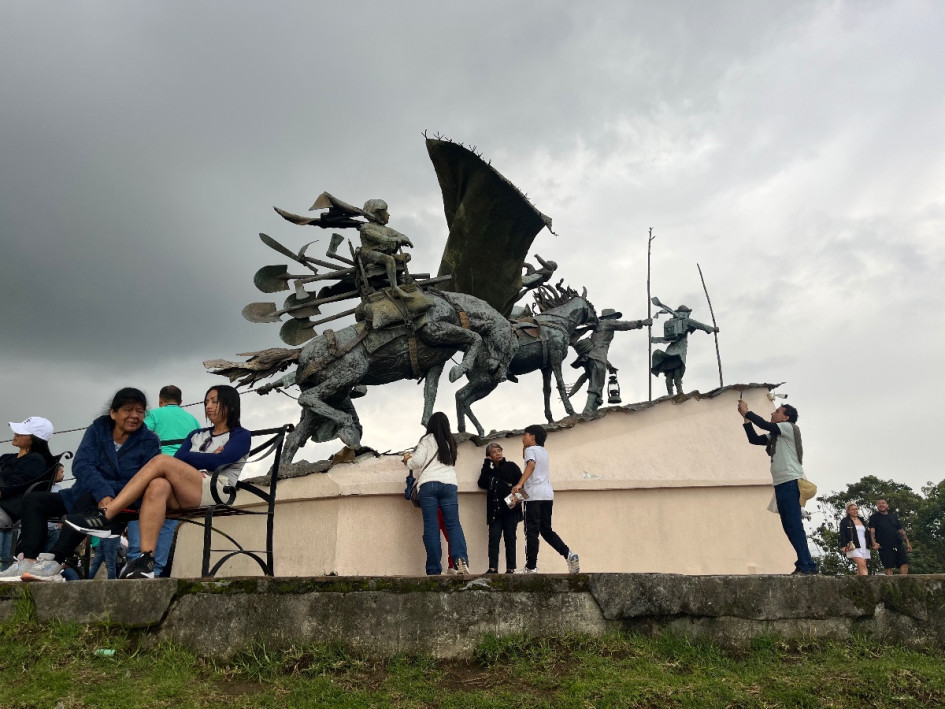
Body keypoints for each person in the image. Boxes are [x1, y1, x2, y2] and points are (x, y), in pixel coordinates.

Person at [65, 385, 250, 579]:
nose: (208, 406)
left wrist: (193, 457)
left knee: (161, 460)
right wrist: (204, 457)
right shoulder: (196, 434)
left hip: (216, 489)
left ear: (230, 404)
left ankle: (107, 514)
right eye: (206, 402)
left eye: (214, 401)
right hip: (187, 490)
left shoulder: (241, 435)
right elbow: (180, 459)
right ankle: (146, 560)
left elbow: (219, 461)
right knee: (157, 485)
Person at [0, 389, 160, 583]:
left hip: (123, 500)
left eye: (140, 411)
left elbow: (141, 477)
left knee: (86, 497)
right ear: (113, 412)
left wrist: (104, 492)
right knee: (34, 500)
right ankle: (29, 559)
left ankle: (56, 561)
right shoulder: (98, 429)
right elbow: (82, 464)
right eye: (128, 410)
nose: (134, 416)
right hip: (82, 493)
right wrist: (102, 491)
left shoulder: (149, 441)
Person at [126, 385, 201, 577]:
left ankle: (137, 559)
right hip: (183, 477)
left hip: (157, 473)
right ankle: (156, 569)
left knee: (141, 511)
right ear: (181, 401)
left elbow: (139, 437)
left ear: (160, 400)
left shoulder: (154, 414)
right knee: (168, 522)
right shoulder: (192, 419)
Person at [738, 399, 818, 575]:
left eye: (777, 411)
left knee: (794, 525)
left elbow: (766, 425)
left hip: (790, 482)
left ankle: (808, 565)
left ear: (786, 417)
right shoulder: (777, 435)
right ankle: (804, 562)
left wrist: (747, 412)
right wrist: (746, 420)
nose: (772, 413)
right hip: (781, 484)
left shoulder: (789, 428)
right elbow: (754, 439)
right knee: (789, 526)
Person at [403, 412, 470, 575]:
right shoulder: (451, 441)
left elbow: (416, 462)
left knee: (431, 527)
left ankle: (434, 569)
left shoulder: (426, 440)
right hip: (449, 485)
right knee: (453, 524)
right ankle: (460, 561)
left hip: (429, 485)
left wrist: (407, 460)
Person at [511, 425, 580, 574]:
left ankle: (531, 567)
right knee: (546, 531)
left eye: (525, 435)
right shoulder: (543, 452)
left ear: (533, 437)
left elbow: (530, 465)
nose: (522, 438)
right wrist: (525, 445)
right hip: (547, 496)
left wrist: (519, 484)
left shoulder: (531, 450)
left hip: (534, 498)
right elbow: (529, 465)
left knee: (531, 532)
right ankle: (569, 554)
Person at [0, 417, 58, 569]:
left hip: (8, 510)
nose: (15, 434)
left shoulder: (35, 461)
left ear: (33, 439)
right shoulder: (7, 458)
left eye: (21, 433)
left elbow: (12, 487)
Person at [569, 309, 650, 413]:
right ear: (609, 317)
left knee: (598, 384)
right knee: (596, 384)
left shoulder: (598, 327)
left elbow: (598, 349)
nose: (615, 319)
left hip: (590, 358)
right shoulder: (607, 323)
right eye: (614, 317)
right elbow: (624, 325)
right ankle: (588, 410)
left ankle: (593, 409)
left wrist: (609, 366)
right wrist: (641, 323)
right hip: (597, 358)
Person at [650, 303, 718, 396]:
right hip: (679, 351)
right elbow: (700, 325)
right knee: (676, 372)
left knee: (670, 373)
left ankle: (671, 394)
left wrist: (655, 339)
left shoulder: (674, 321)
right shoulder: (686, 321)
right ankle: (679, 393)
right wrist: (712, 329)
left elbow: (667, 338)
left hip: (670, 351)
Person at [477, 442, 523, 574]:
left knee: (510, 538)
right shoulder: (490, 473)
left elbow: (522, 485)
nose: (498, 453)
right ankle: (493, 568)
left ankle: (510, 569)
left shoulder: (511, 467)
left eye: (499, 450)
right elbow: (481, 482)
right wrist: (486, 463)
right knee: (493, 539)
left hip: (510, 511)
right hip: (495, 513)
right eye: (494, 452)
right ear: (489, 456)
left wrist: (515, 501)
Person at [359, 198, 414, 298]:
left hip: (384, 253)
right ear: (377, 214)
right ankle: (395, 288)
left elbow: (403, 236)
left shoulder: (387, 229)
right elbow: (381, 239)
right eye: (385, 211)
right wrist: (397, 240)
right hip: (369, 254)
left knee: (407, 257)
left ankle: (395, 259)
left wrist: (404, 239)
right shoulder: (366, 227)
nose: (388, 214)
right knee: (389, 260)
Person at [869, 499, 912, 575]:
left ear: (887, 505)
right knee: (888, 565)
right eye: (879, 504)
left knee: (904, 562)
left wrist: (908, 542)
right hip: (884, 544)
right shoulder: (874, 517)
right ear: (877, 506)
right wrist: (873, 542)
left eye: (883, 503)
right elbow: (872, 531)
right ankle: (890, 584)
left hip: (897, 543)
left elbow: (901, 530)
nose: (881, 505)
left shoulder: (893, 516)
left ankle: (903, 581)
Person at [838, 502, 872, 576]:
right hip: (854, 546)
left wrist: (872, 543)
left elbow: (867, 533)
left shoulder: (862, 520)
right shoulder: (845, 521)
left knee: (861, 567)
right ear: (848, 511)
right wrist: (843, 546)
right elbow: (843, 534)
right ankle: (867, 584)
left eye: (856, 509)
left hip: (864, 545)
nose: (855, 511)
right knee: (862, 565)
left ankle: (860, 586)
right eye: (852, 509)